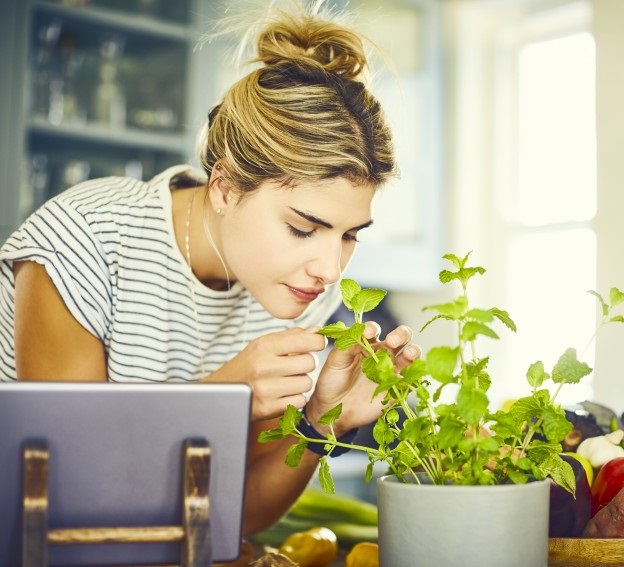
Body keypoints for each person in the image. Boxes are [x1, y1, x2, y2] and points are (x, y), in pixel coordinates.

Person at [0, 1, 420, 535]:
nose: (331, 269)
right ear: (225, 188)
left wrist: (321, 420)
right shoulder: (86, 239)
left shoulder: (301, 299)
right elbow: (60, 493)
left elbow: (231, 517)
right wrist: (219, 395)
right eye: (302, 227)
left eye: (350, 235)